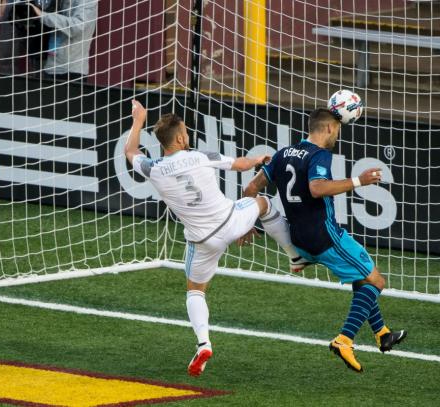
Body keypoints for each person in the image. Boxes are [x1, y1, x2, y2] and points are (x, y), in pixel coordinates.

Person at [124, 100, 308, 377]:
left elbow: (130, 150)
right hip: (231, 219)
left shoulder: (154, 168)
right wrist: (258, 160)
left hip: (203, 240)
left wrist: (139, 119)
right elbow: (241, 164)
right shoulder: (200, 156)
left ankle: (203, 344)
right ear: (181, 137)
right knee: (263, 204)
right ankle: (295, 256)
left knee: (195, 290)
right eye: (185, 131)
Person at [243, 108, 406, 373]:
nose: (337, 135)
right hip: (325, 236)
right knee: (376, 280)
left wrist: (246, 223)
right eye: (338, 129)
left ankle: (382, 333)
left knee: (359, 276)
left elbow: (250, 189)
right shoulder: (320, 155)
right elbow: (316, 188)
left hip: (299, 237)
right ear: (329, 128)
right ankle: (344, 340)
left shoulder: (284, 153)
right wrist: (358, 181)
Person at [0, 0, 98, 80]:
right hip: (50, 67)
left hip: (70, 71)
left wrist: (41, 15)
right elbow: (51, 22)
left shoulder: (87, 2)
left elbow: (77, 27)